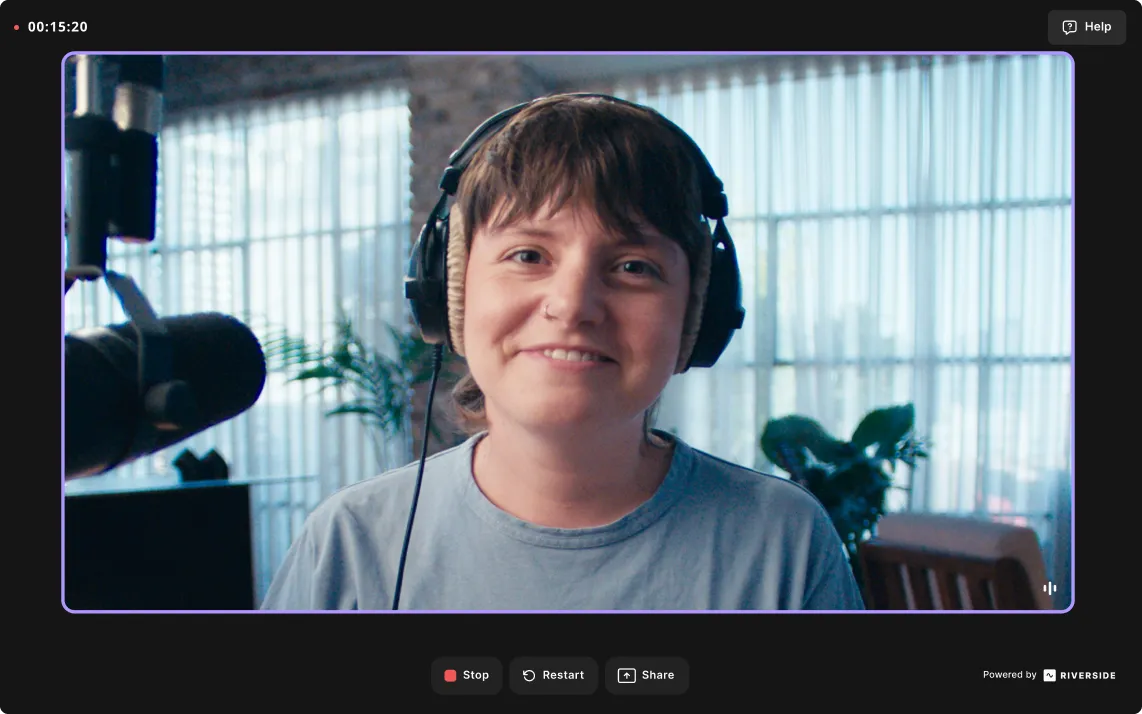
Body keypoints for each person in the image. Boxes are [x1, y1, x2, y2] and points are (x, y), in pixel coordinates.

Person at [260, 93, 865, 610]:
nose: (573, 305)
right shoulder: (348, 544)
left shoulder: (785, 542)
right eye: (528, 255)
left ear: (696, 316)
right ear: (451, 293)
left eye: (634, 266)